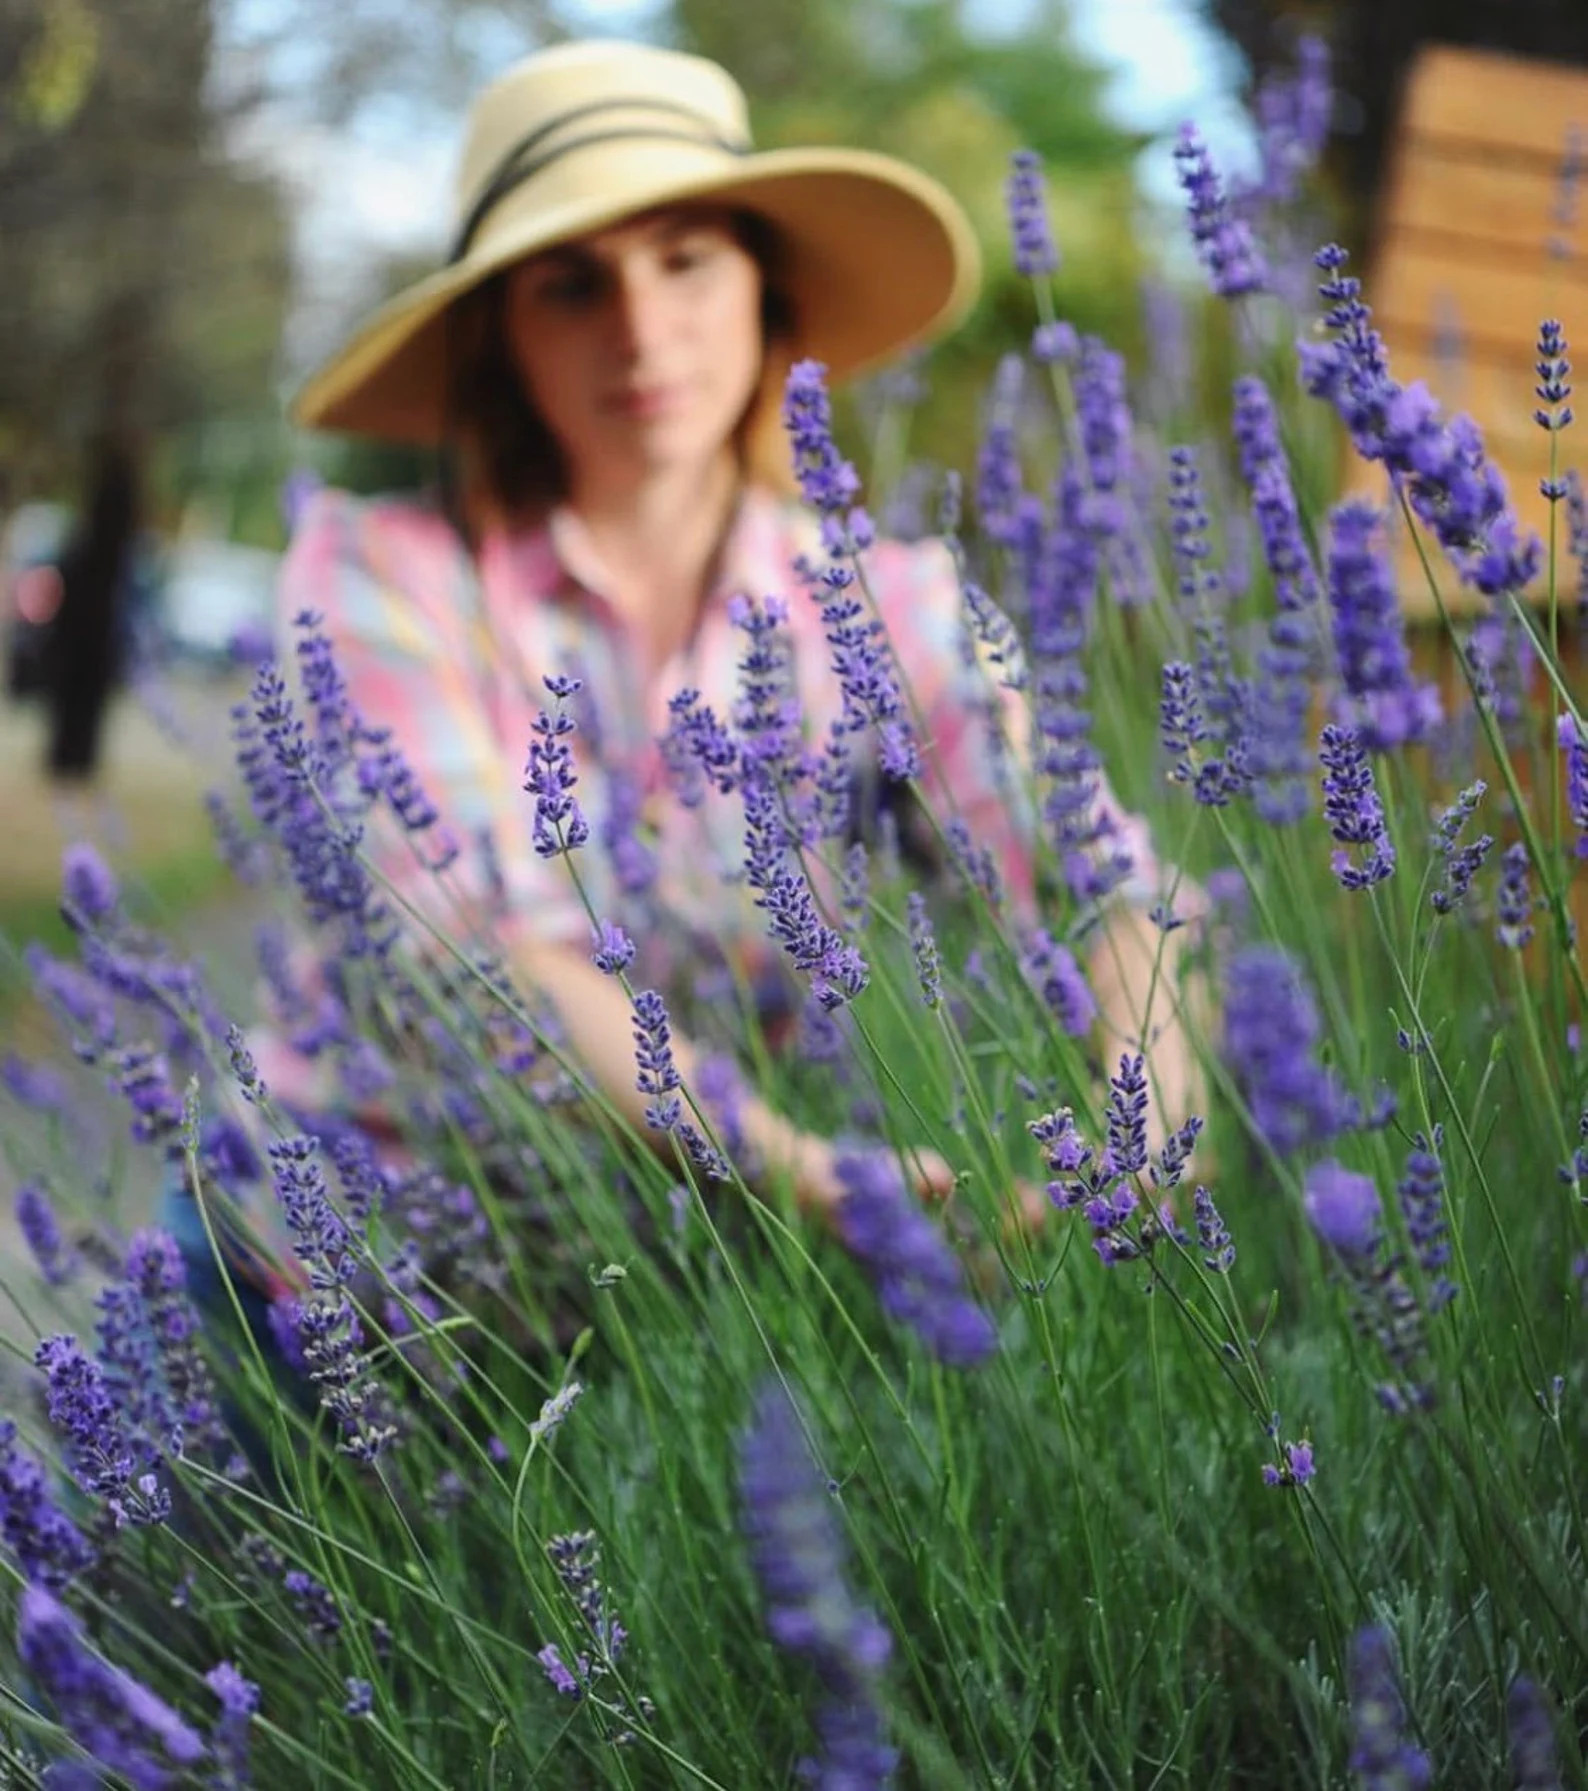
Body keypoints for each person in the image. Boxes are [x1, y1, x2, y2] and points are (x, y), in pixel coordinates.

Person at [255, 38, 1205, 1236]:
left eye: (686, 261)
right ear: (503, 335)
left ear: (767, 297)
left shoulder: (883, 603)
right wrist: (796, 1173)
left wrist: (1145, 1133)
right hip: (371, 1284)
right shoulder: (384, 576)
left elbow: (1100, 886)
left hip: (717, 1299)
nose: (641, 329)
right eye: (571, 284)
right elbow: (472, 959)